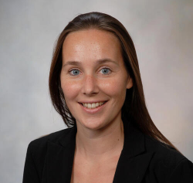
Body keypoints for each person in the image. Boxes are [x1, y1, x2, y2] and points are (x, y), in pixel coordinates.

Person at [23, 12, 193, 183]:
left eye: (105, 70)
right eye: (75, 71)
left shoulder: (172, 171)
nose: (89, 88)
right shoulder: (39, 156)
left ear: (129, 77)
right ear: (59, 79)